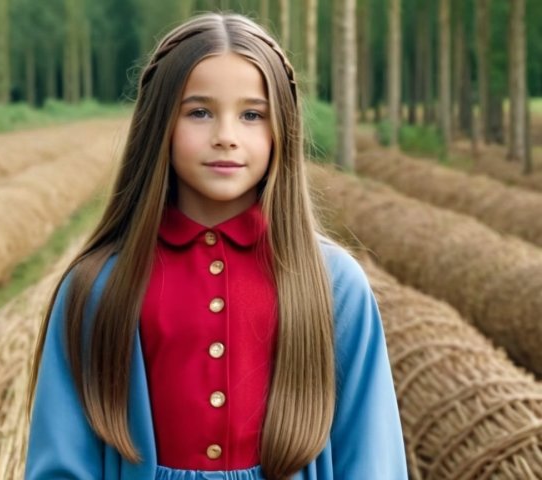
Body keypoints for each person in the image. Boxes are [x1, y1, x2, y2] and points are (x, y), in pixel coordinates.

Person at [25, 12, 407, 480]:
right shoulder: (100, 286)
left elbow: (372, 460)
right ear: (158, 125)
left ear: (280, 130)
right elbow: (61, 461)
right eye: (199, 112)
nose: (225, 136)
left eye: (251, 114)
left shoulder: (335, 286)